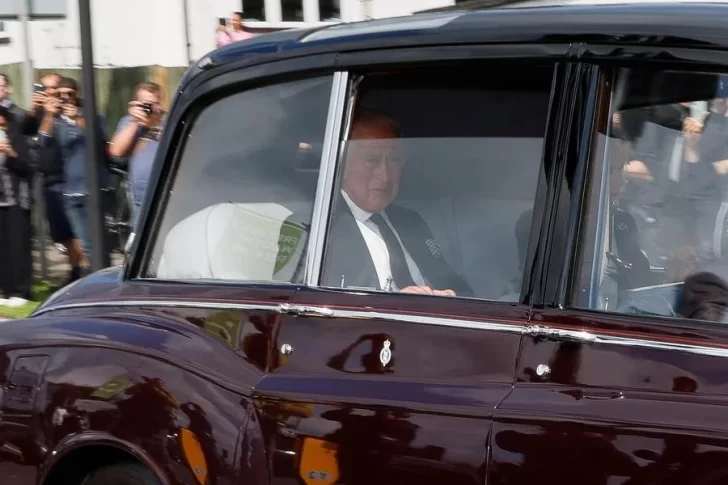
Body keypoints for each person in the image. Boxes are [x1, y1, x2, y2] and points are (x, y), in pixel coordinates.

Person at [322, 109, 473, 297]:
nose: (384, 176)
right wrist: (394, 301)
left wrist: (450, 295)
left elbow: (456, 285)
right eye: (371, 160)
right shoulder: (321, 226)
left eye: (393, 159)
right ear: (342, 164)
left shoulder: (410, 221)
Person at [38, 77, 109, 264]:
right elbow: (43, 142)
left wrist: (78, 118)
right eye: (61, 95)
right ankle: (90, 278)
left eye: (69, 94)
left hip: (93, 188)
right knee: (84, 244)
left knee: (100, 242)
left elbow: (100, 142)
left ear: (77, 95)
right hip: (71, 191)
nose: (65, 98)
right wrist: (49, 115)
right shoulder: (57, 121)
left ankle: (103, 281)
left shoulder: (91, 116)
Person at [30, 72, 88, 283]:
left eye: (58, 90)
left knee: (78, 232)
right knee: (63, 233)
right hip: (50, 180)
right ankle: (75, 271)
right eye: (45, 89)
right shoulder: (46, 114)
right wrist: (42, 111)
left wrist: (74, 117)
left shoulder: (80, 114)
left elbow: (93, 140)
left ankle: (84, 270)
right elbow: (40, 141)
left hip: (72, 179)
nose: (53, 94)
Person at [109, 81, 165, 225]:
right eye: (146, 104)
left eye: (155, 103)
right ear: (136, 103)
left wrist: (154, 124)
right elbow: (116, 151)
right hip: (140, 196)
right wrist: (135, 122)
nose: (150, 108)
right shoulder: (129, 122)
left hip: (165, 192)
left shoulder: (168, 120)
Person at [0, 105, 34, 307]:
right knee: (2, 247)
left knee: (18, 245)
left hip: (16, 200)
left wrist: (11, 153)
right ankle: (7, 289)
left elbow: (28, 168)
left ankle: (21, 291)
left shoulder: (17, 139)